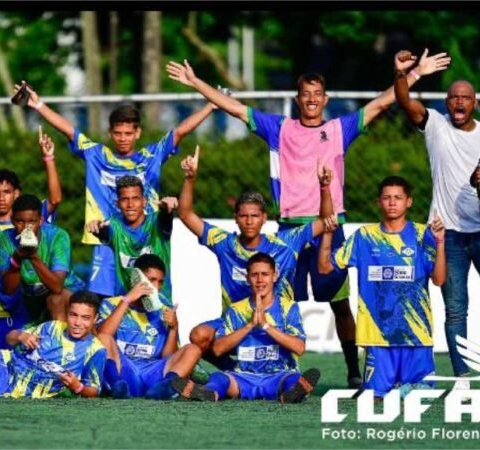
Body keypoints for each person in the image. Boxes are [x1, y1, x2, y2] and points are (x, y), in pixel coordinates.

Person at [166, 50, 451, 388]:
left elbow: (380, 104)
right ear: (298, 99)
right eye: (306, 95)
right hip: (290, 230)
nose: (312, 100)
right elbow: (234, 107)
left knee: (340, 301)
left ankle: (352, 370)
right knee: (283, 302)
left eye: (318, 94)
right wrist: (196, 81)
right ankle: (279, 372)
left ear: (325, 99)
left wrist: (413, 73)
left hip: (329, 224)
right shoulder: (278, 128)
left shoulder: (339, 128)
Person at [394, 50, 480, 397]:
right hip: (447, 236)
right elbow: (403, 100)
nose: (458, 101)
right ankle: (462, 378)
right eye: (453, 97)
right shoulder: (434, 125)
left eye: (465, 97)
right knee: (455, 311)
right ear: (446, 102)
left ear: (474, 102)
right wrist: (404, 73)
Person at [13, 81, 215, 299]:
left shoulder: (151, 156)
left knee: (153, 298)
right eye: (118, 133)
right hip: (107, 239)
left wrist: (210, 106)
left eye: (128, 133)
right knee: (104, 300)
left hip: (147, 238)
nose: (123, 138)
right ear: (110, 133)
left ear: (137, 133)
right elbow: (69, 130)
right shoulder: (97, 155)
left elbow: (180, 132)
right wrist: (38, 105)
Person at [176, 146, 331, 368]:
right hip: (237, 323)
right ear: (236, 219)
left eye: (255, 216)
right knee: (198, 335)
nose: (249, 221)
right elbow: (185, 214)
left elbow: (325, 220)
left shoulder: (285, 244)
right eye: (244, 216)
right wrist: (189, 179)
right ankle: (235, 370)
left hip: (276, 324)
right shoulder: (224, 243)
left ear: (264, 218)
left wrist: (324, 187)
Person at [318, 175, 446, 397]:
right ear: (379, 202)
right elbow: (325, 268)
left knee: (419, 396)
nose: (392, 202)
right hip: (377, 336)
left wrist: (441, 242)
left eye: (398, 197)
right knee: (375, 398)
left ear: (409, 202)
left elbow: (439, 279)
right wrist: (328, 235)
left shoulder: (421, 234)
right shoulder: (364, 237)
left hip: (416, 335)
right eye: (387, 197)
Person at [172, 253, 319, 403]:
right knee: (220, 378)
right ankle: (208, 393)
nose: (260, 280)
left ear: (275, 276)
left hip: (279, 375)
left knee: (292, 380)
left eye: (265, 274)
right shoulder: (236, 310)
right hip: (242, 378)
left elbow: (299, 347)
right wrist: (250, 325)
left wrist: (265, 325)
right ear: (247, 278)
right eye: (255, 275)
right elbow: (217, 349)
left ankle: (293, 393)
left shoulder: (288, 308)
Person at [0, 128, 62, 349]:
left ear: (16, 193)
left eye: (7, 192)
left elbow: (55, 199)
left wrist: (49, 158)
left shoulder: (30, 220)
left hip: (21, 313)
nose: (1, 197)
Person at [97, 254, 202, 399]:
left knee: (193, 349)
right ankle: (117, 387)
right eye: (151, 280)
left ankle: (166, 387)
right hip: (124, 371)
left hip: (154, 375)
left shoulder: (164, 309)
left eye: (160, 282)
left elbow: (168, 357)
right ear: (136, 279)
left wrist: (173, 328)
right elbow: (102, 337)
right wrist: (127, 300)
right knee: (102, 338)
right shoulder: (111, 304)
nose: (156, 287)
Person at [0, 194, 85, 323]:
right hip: (32, 300)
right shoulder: (5, 238)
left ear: (40, 221)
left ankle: (59, 341)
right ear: (12, 220)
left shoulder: (57, 236)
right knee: (13, 337)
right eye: (20, 221)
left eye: (31, 222)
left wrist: (33, 257)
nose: (26, 228)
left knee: (55, 300)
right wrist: (17, 259)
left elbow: (57, 287)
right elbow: (9, 289)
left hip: (69, 296)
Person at [85, 175, 176, 299]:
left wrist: (168, 210)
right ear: (117, 203)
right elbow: (104, 231)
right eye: (125, 199)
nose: (130, 204)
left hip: (159, 304)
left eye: (135, 199)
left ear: (144, 201)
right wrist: (96, 228)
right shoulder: (114, 225)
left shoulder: (156, 222)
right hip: (127, 305)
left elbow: (165, 218)